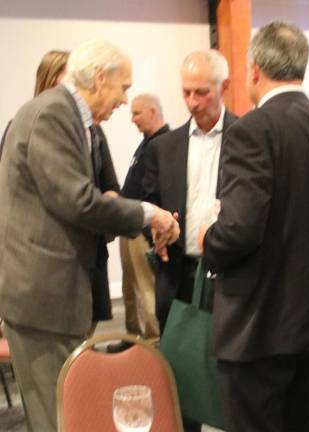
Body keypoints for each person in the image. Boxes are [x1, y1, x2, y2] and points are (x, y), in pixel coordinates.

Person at [0, 39, 179, 432]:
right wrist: (149, 213)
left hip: (58, 295)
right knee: (55, 417)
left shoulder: (72, 119)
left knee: (67, 412)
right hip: (42, 299)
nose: (123, 99)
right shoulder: (51, 115)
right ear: (100, 78)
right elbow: (78, 202)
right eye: (123, 87)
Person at [200, 21, 309, 432]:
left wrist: (209, 238)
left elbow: (240, 229)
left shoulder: (251, 130)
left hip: (257, 330)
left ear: (254, 70)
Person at [142, 49, 237, 432]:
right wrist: (156, 228)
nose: (193, 102)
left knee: (230, 376)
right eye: (186, 92)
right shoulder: (164, 147)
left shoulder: (249, 137)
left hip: (232, 278)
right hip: (179, 273)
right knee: (180, 378)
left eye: (202, 92)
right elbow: (148, 204)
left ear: (223, 87)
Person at [0, 50, 120, 332]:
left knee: (83, 354)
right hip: (46, 272)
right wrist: (142, 215)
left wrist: (108, 204)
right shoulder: (25, 126)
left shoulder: (94, 132)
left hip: (89, 256)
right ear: (49, 82)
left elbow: (111, 187)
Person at [111, 94, 169, 349]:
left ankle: (152, 343)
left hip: (143, 228)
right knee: (131, 286)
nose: (132, 119)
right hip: (129, 224)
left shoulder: (165, 143)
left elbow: (156, 191)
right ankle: (134, 338)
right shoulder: (146, 143)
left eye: (137, 113)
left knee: (146, 288)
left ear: (153, 111)